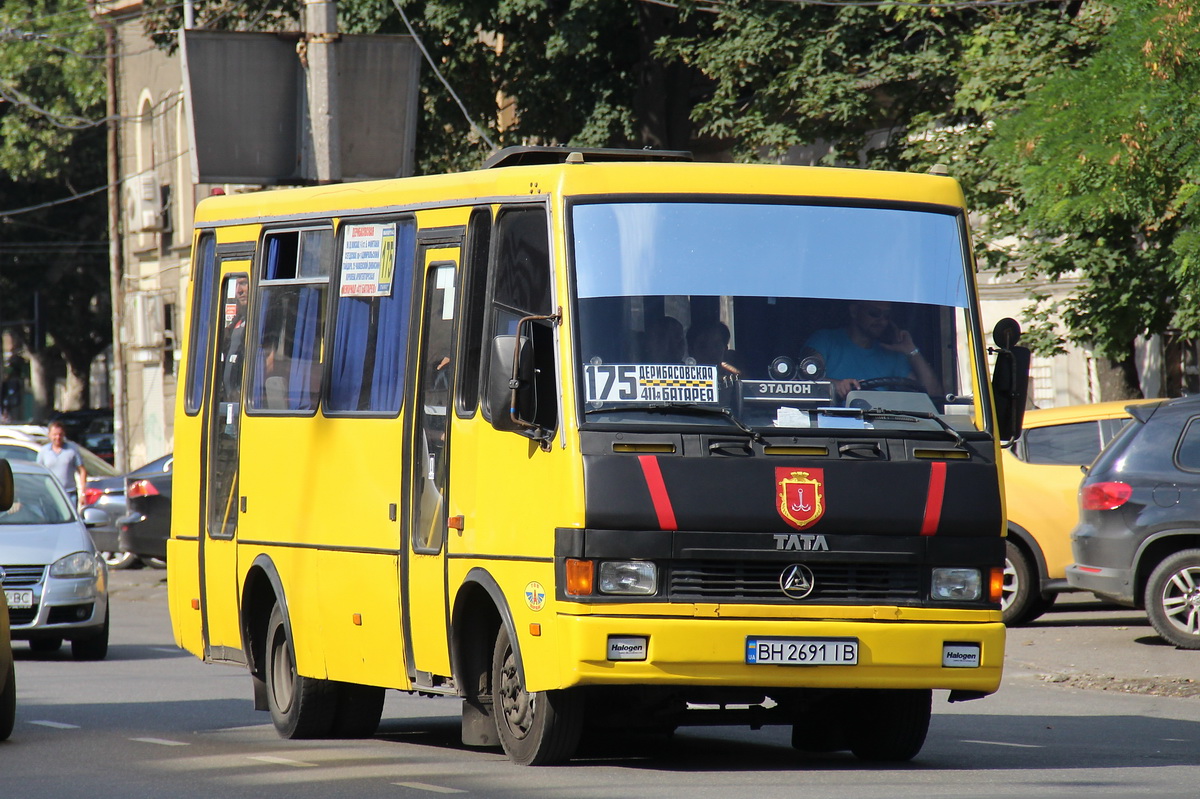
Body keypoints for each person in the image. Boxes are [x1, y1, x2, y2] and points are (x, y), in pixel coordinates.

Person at [803, 300, 940, 400]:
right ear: (854, 311)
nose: (882, 321)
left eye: (886, 316)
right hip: (827, 429)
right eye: (874, 313)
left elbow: (934, 396)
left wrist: (912, 350)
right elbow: (803, 379)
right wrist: (836, 385)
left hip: (879, 432)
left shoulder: (892, 356)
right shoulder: (824, 340)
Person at [36, 420, 87, 510]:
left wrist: (83, 493)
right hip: (50, 494)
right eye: (55, 434)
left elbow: (82, 470)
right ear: (49, 435)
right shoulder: (44, 451)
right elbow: (38, 473)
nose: (58, 437)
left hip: (69, 494)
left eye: (60, 434)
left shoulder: (72, 449)